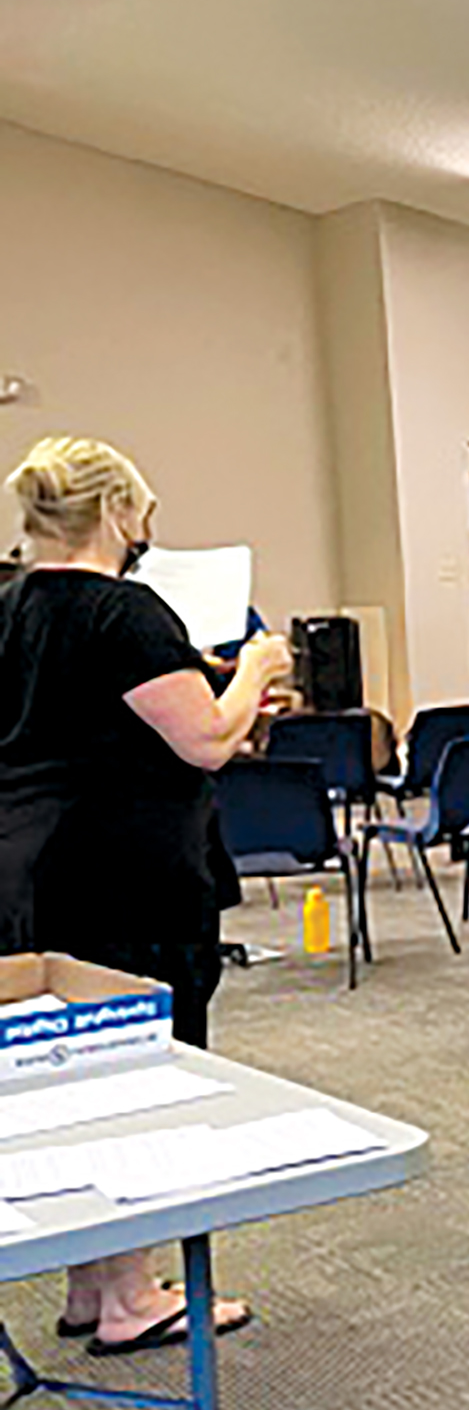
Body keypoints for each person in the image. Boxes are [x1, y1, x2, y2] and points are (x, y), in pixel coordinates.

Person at [0, 437, 286, 1354]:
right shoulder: (125, 609)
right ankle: (132, 1296)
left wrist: (211, 698)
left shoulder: (13, 611)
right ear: (121, 513)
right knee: (139, 1072)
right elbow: (204, 742)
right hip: (125, 876)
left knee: (75, 1073)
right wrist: (251, 673)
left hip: (35, 871)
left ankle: (95, 1280)